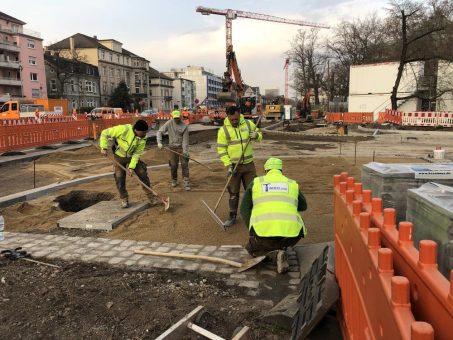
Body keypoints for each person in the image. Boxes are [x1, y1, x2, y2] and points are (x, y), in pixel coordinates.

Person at [240, 157, 307, 274]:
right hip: (291, 237)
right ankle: (281, 250)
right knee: (288, 233)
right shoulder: (291, 183)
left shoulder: (256, 183)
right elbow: (303, 206)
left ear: (266, 170)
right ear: (281, 170)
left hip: (263, 236)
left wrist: (252, 230)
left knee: (251, 248)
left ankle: (273, 254)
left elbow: (244, 209)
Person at [217, 105, 263, 227]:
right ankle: (232, 216)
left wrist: (257, 136)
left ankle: (255, 214)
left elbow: (259, 134)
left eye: (236, 119)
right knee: (233, 192)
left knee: (253, 190)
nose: (234, 121)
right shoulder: (223, 130)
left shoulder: (248, 124)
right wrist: (228, 165)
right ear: (228, 117)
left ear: (239, 115)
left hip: (249, 166)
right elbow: (221, 150)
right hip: (234, 167)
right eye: (232, 119)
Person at [99, 119, 158, 208]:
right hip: (119, 157)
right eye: (142, 133)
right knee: (119, 179)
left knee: (143, 174)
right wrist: (103, 147)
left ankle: (151, 197)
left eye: (145, 133)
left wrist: (131, 167)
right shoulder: (124, 129)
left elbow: (137, 154)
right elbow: (104, 133)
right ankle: (124, 199)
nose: (144, 135)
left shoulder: (143, 138)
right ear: (136, 130)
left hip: (131, 157)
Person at [157, 110, 191, 191]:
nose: (176, 120)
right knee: (173, 165)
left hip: (181, 148)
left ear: (180, 117)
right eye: (175, 118)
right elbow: (159, 132)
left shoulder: (184, 126)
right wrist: (159, 142)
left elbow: (185, 141)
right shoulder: (169, 123)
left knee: (184, 164)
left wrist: (185, 152)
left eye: (178, 118)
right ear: (173, 117)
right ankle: (174, 180)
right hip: (172, 148)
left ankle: (186, 182)